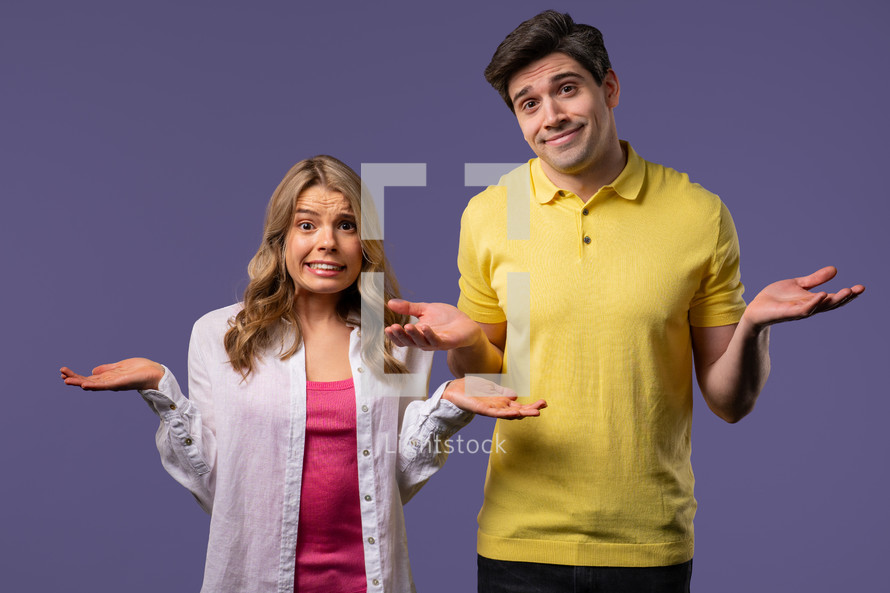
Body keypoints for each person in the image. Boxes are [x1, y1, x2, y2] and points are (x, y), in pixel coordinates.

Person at [384, 11, 865, 593]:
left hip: (650, 544)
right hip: (519, 541)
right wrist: (466, 344)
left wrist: (756, 324)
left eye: (566, 88)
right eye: (527, 103)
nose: (551, 115)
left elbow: (729, 402)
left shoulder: (699, 214)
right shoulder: (488, 214)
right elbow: (494, 389)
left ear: (608, 88)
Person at [61, 155, 545, 593]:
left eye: (346, 225)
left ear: (365, 243)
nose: (327, 243)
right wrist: (160, 390)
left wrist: (449, 403)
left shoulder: (397, 341)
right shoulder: (220, 335)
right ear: (282, 239)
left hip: (372, 581)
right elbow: (218, 489)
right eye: (307, 225)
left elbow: (391, 482)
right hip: (254, 580)